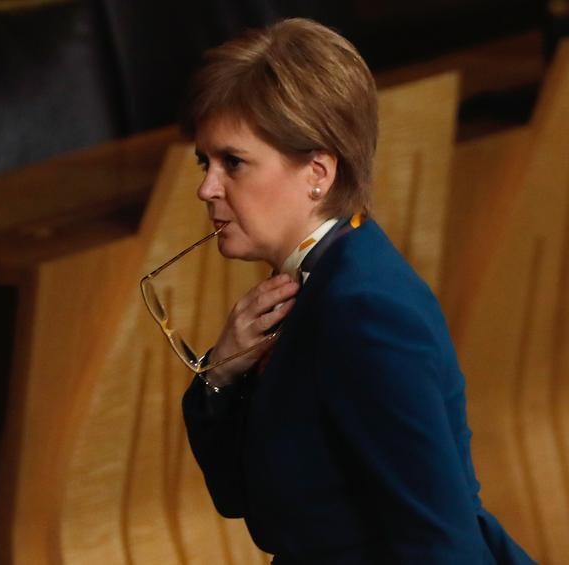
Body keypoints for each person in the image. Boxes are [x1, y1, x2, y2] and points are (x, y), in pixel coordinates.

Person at [180, 18, 535, 564]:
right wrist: (221, 374)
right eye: (206, 162)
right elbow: (242, 496)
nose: (207, 187)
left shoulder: (364, 308)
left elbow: (439, 540)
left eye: (234, 162)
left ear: (318, 172)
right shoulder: (315, 283)